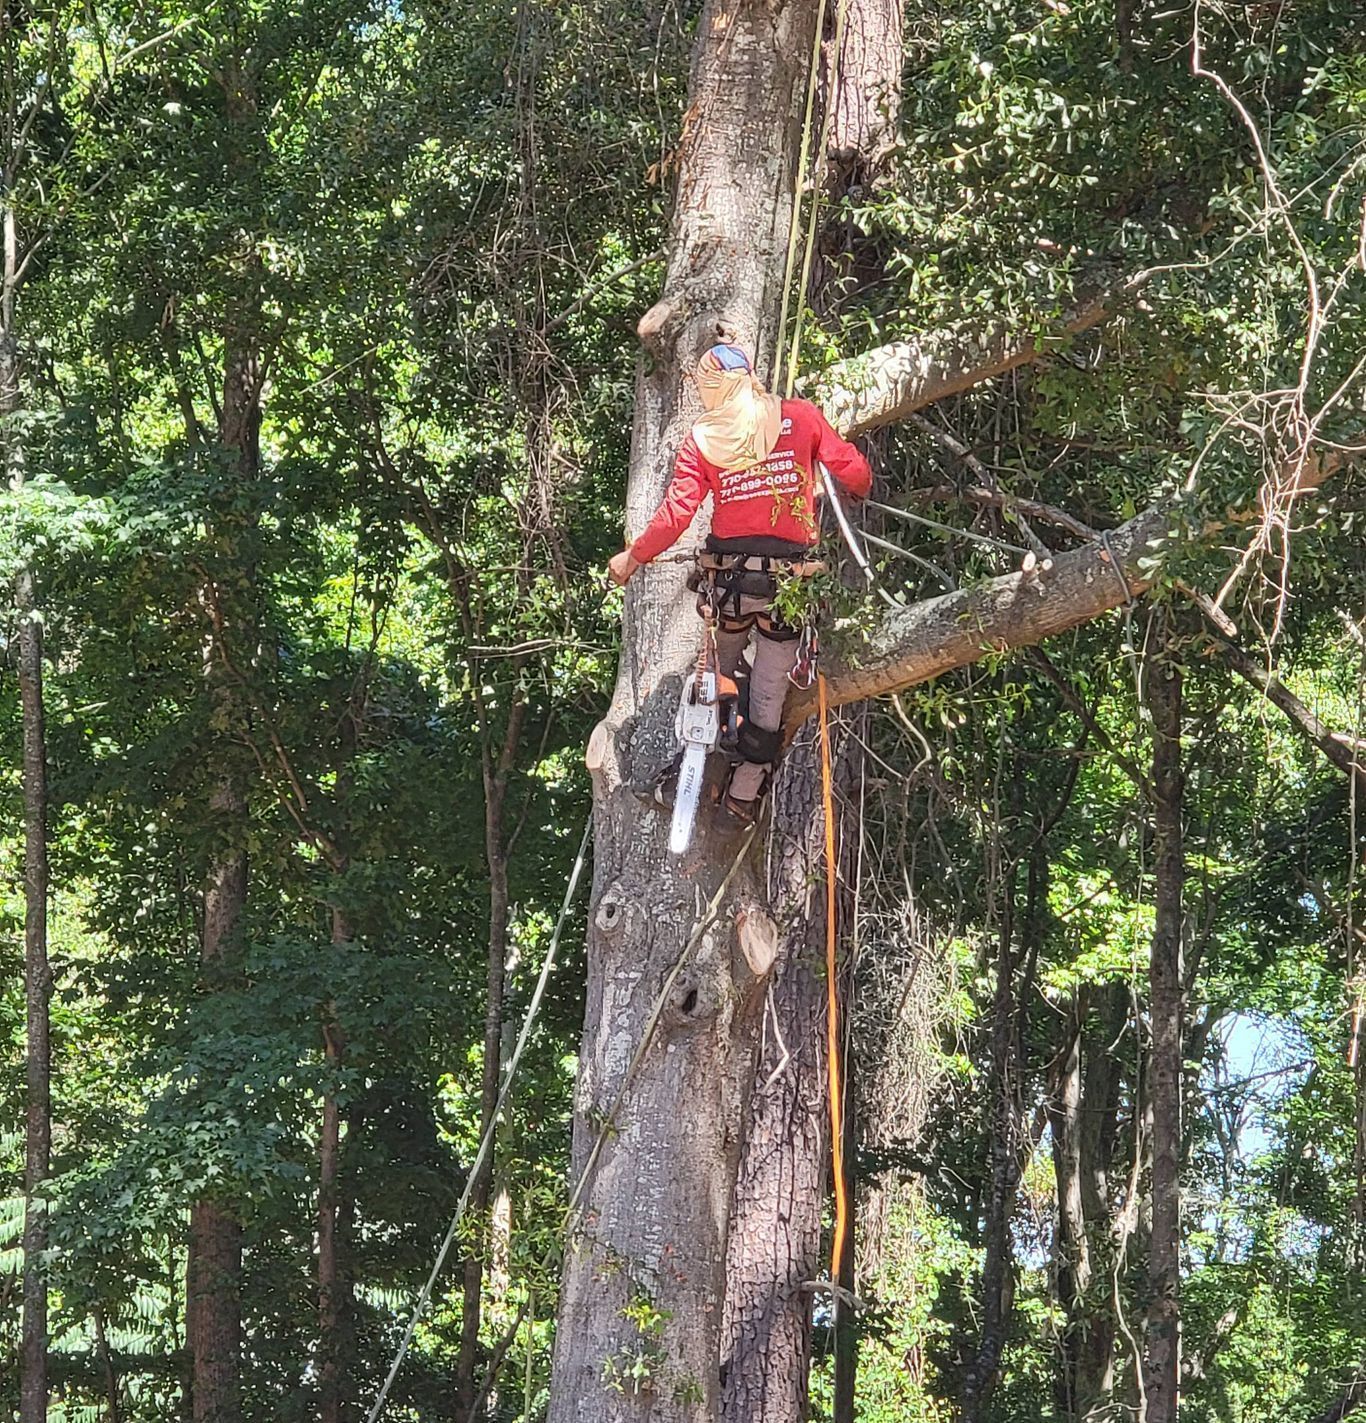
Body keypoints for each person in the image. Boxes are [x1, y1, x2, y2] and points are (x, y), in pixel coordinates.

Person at [608, 342, 871, 821]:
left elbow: (676, 515)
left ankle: (691, 769)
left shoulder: (703, 438)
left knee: (716, 670)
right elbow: (851, 467)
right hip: (788, 586)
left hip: (729, 582)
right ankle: (741, 796)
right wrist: (858, 489)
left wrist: (632, 558)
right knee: (770, 684)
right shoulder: (801, 417)